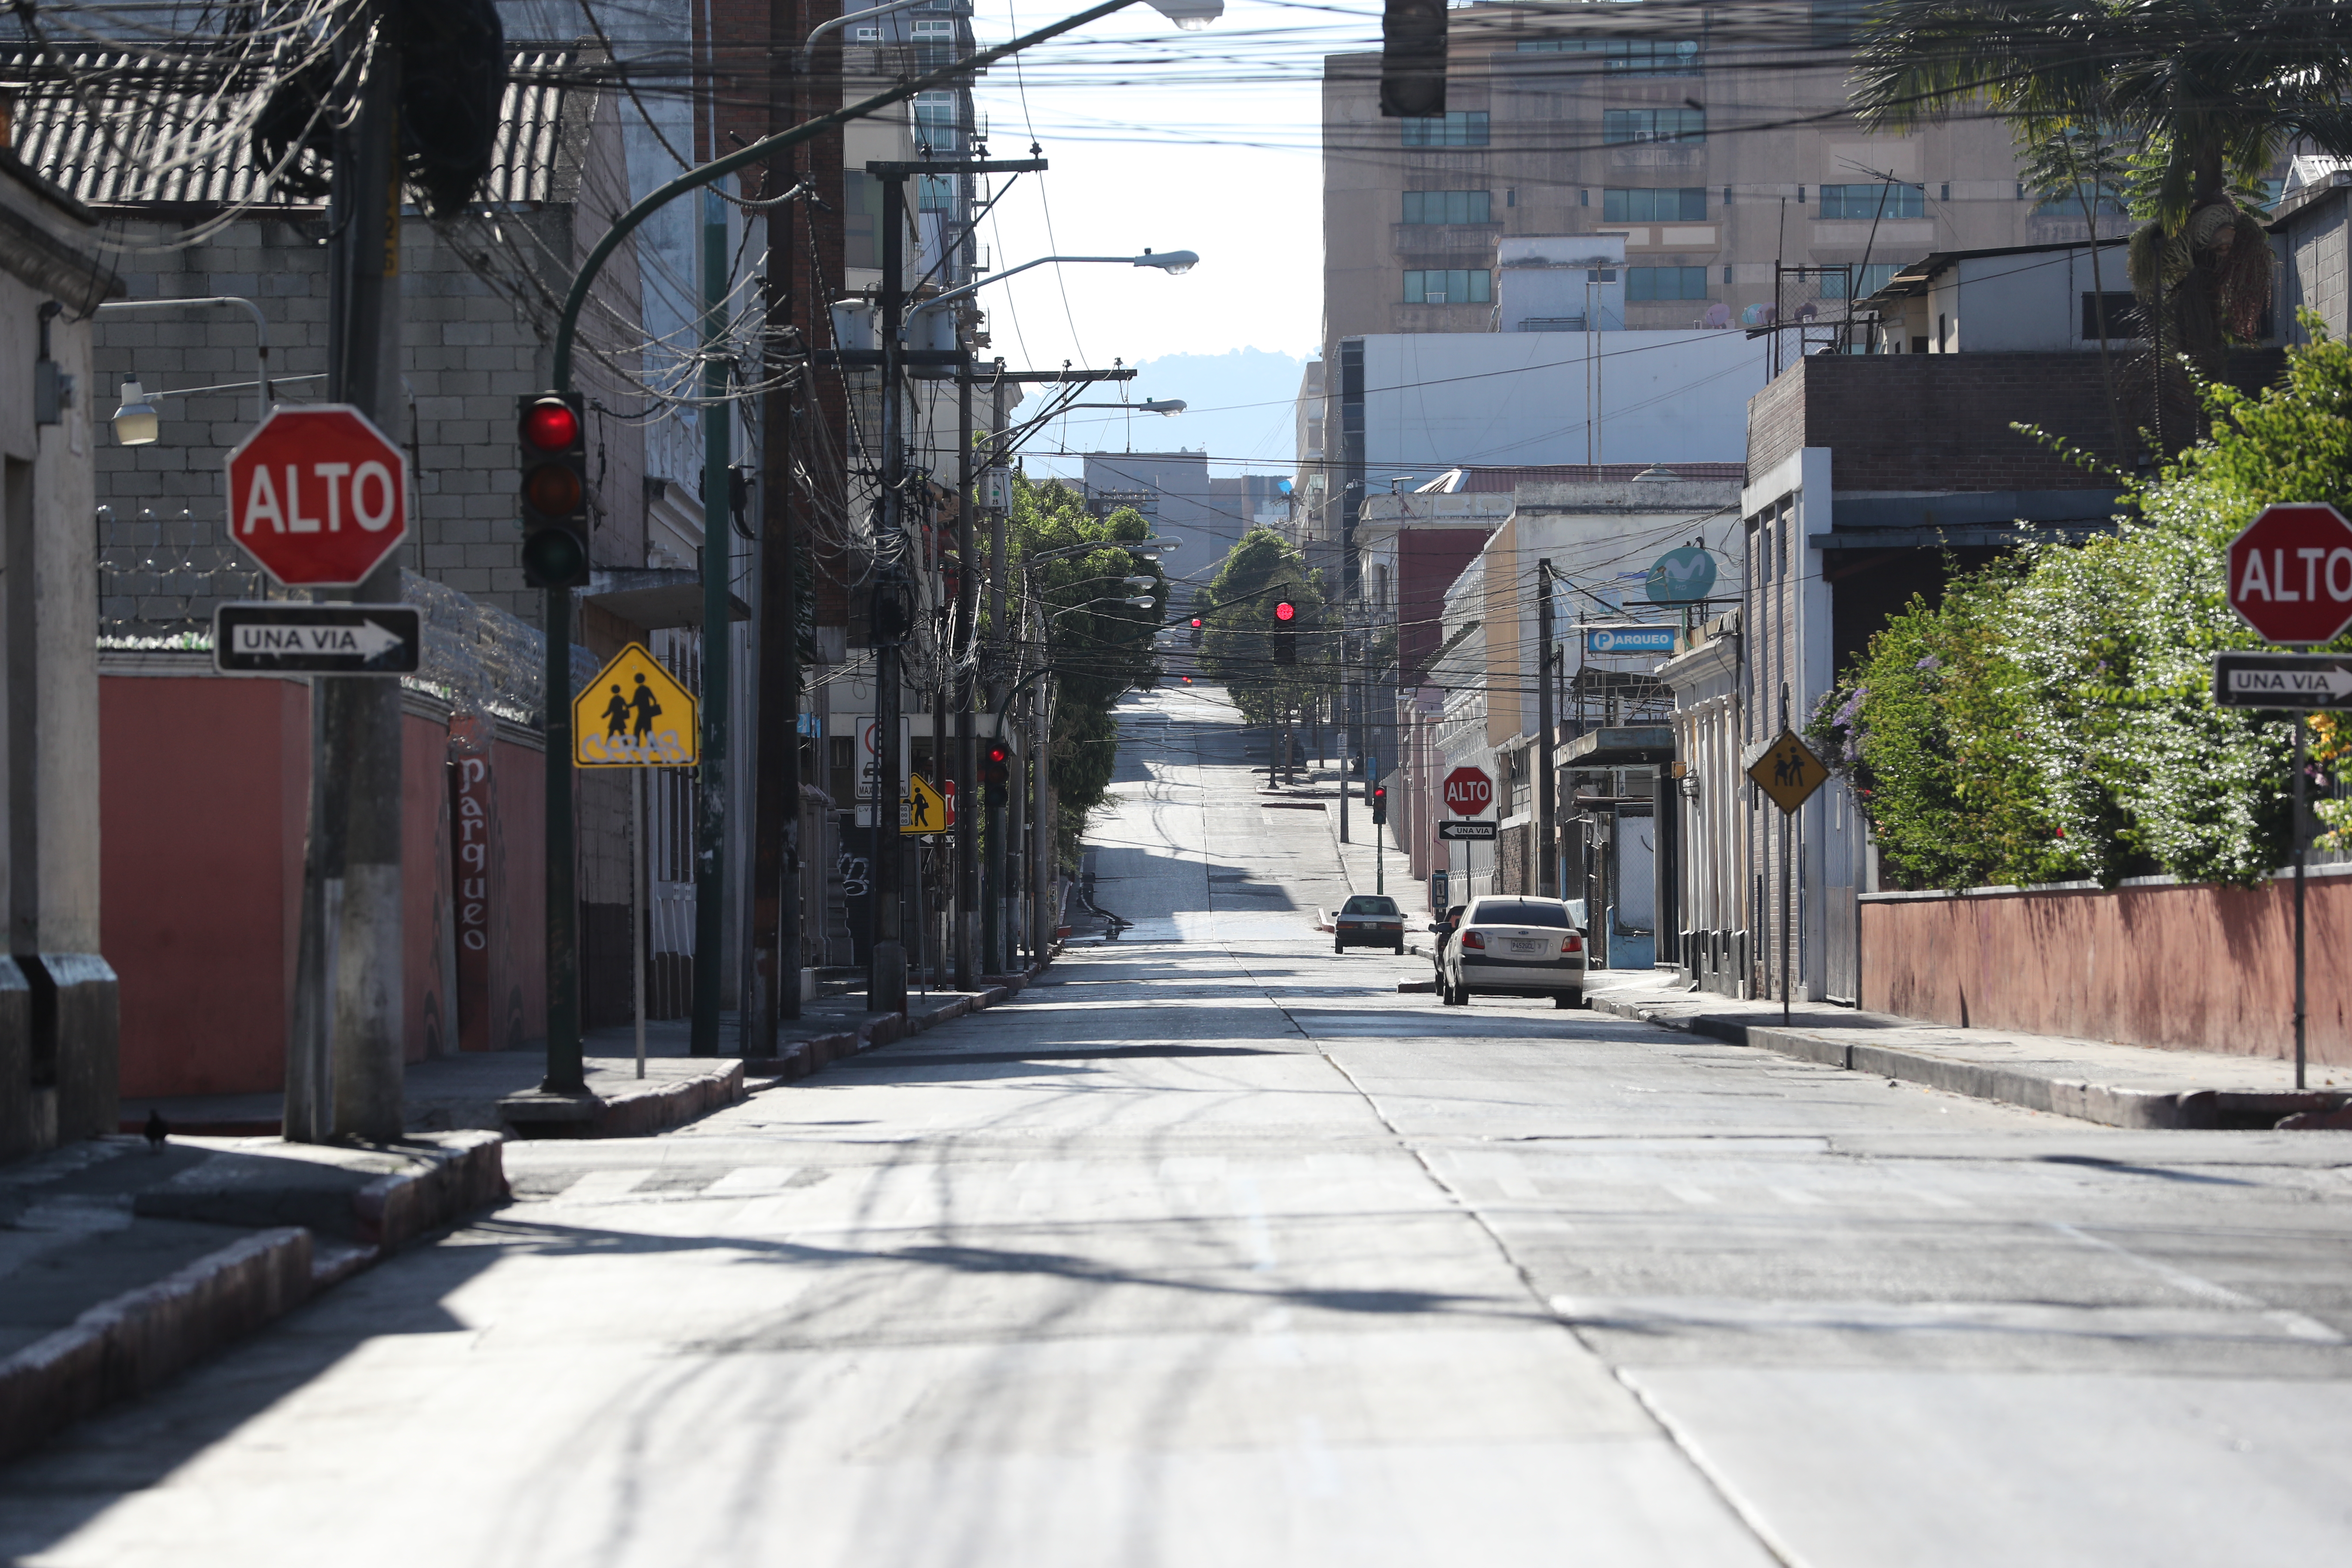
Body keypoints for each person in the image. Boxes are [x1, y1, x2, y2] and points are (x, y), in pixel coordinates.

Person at [628, 670, 662, 743]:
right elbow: (654, 699)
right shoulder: (647, 689)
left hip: (642, 714)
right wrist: (652, 708)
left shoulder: (638, 691)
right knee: (648, 731)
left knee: (637, 730)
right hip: (648, 713)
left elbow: (635, 703)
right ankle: (654, 747)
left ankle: (636, 747)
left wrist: (628, 706)